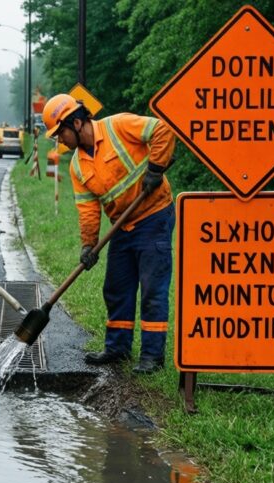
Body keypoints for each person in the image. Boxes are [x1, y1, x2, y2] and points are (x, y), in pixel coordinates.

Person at [41, 94, 177, 374]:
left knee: (153, 289)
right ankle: (118, 348)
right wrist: (88, 245)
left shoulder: (119, 125)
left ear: (77, 123)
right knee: (117, 288)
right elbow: (88, 210)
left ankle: (152, 357)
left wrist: (155, 168)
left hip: (154, 216)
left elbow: (163, 130)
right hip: (122, 227)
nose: (61, 141)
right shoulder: (77, 166)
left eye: (61, 133)